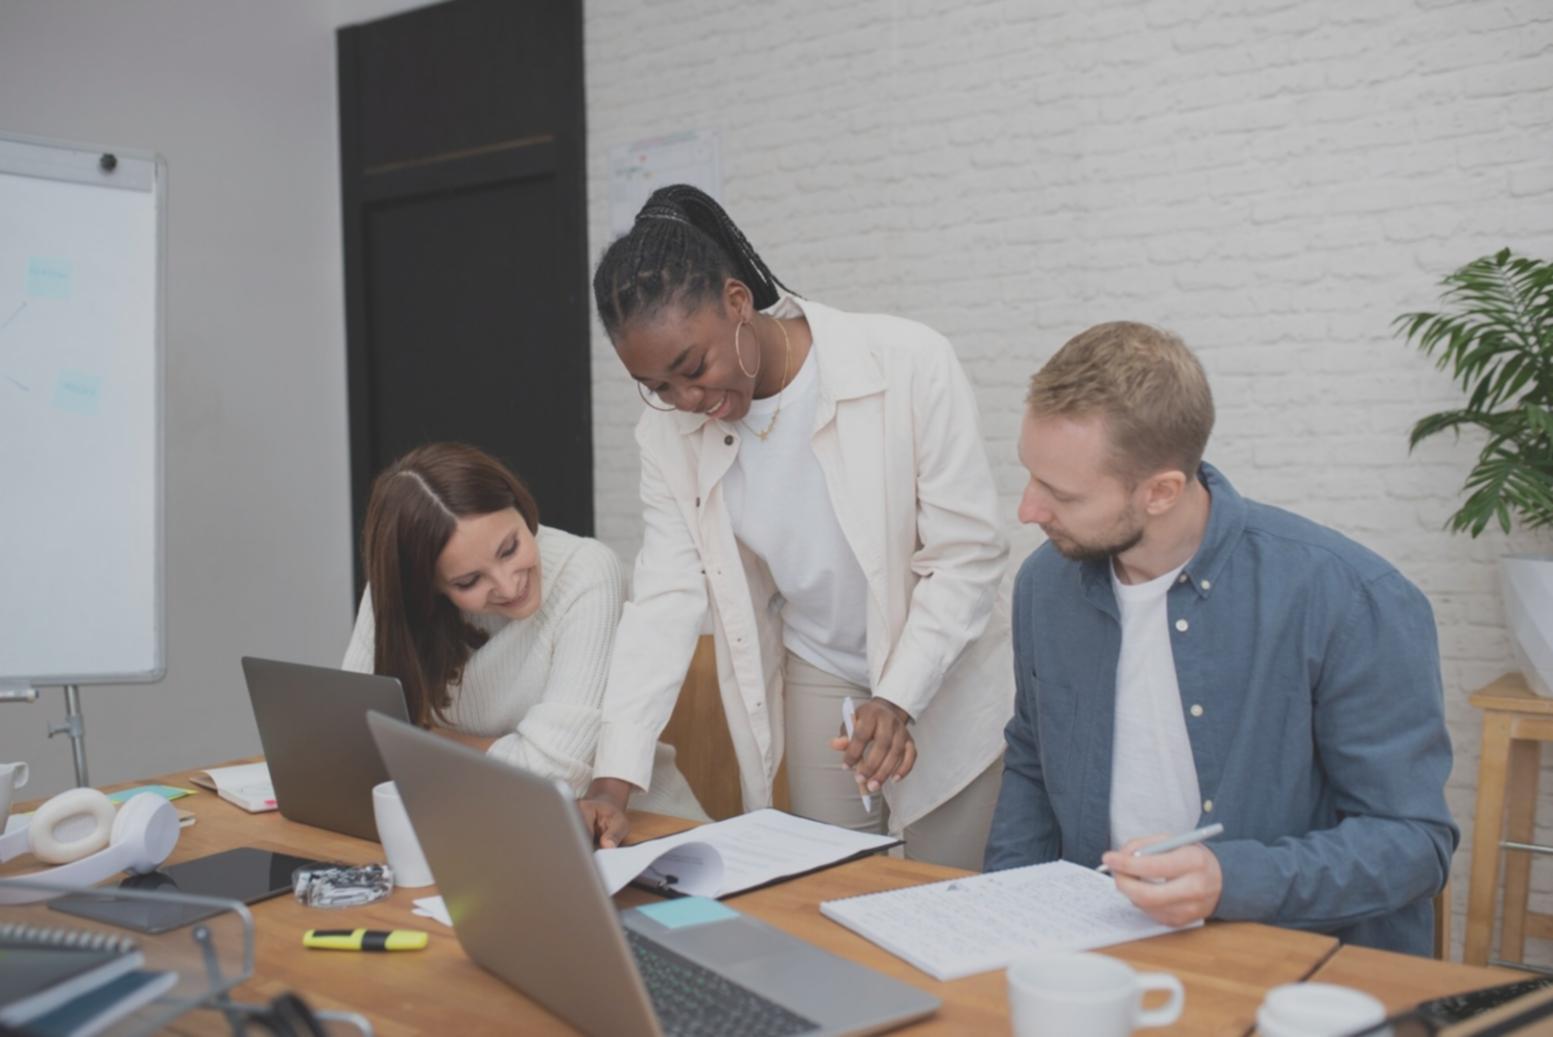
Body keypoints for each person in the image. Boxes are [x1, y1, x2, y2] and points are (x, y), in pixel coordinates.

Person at [984, 321, 1458, 954]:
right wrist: (1004, 916)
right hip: (1091, 946)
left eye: (1060, 493)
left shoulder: (1349, 596)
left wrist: (1230, 880)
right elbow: (1032, 764)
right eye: (1030, 474)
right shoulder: (1047, 584)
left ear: (1161, 492)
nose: (1027, 510)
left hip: (1292, 964)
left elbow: (1412, 843)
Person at [579, 185, 1012, 868]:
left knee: (938, 884)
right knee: (833, 886)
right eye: (657, 386)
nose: (686, 400)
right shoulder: (665, 435)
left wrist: (898, 696)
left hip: (943, 661)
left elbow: (967, 555)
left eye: (693, 367)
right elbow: (664, 597)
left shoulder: (905, 360)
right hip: (822, 662)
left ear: (736, 301)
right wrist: (614, 775)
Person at [342, 442, 705, 821]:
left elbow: (554, 777)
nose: (508, 585)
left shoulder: (585, 573)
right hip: (483, 829)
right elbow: (356, 736)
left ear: (520, 507)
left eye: (509, 548)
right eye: (469, 581)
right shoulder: (396, 595)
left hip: (639, 833)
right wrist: (490, 750)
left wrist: (424, 740)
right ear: (427, 589)